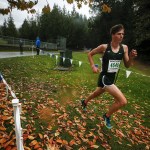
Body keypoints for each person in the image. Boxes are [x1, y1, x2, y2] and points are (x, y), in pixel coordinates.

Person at [81, 24, 137, 129]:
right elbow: (90, 54)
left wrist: (131, 57)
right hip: (104, 78)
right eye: (119, 34)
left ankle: (84, 101)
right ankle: (106, 116)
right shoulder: (104, 47)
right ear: (112, 34)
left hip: (111, 78)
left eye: (123, 34)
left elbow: (127, 65)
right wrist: (93, 66)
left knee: (96, 93)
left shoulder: (124, 48)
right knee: (122, 101)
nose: (121, 36)